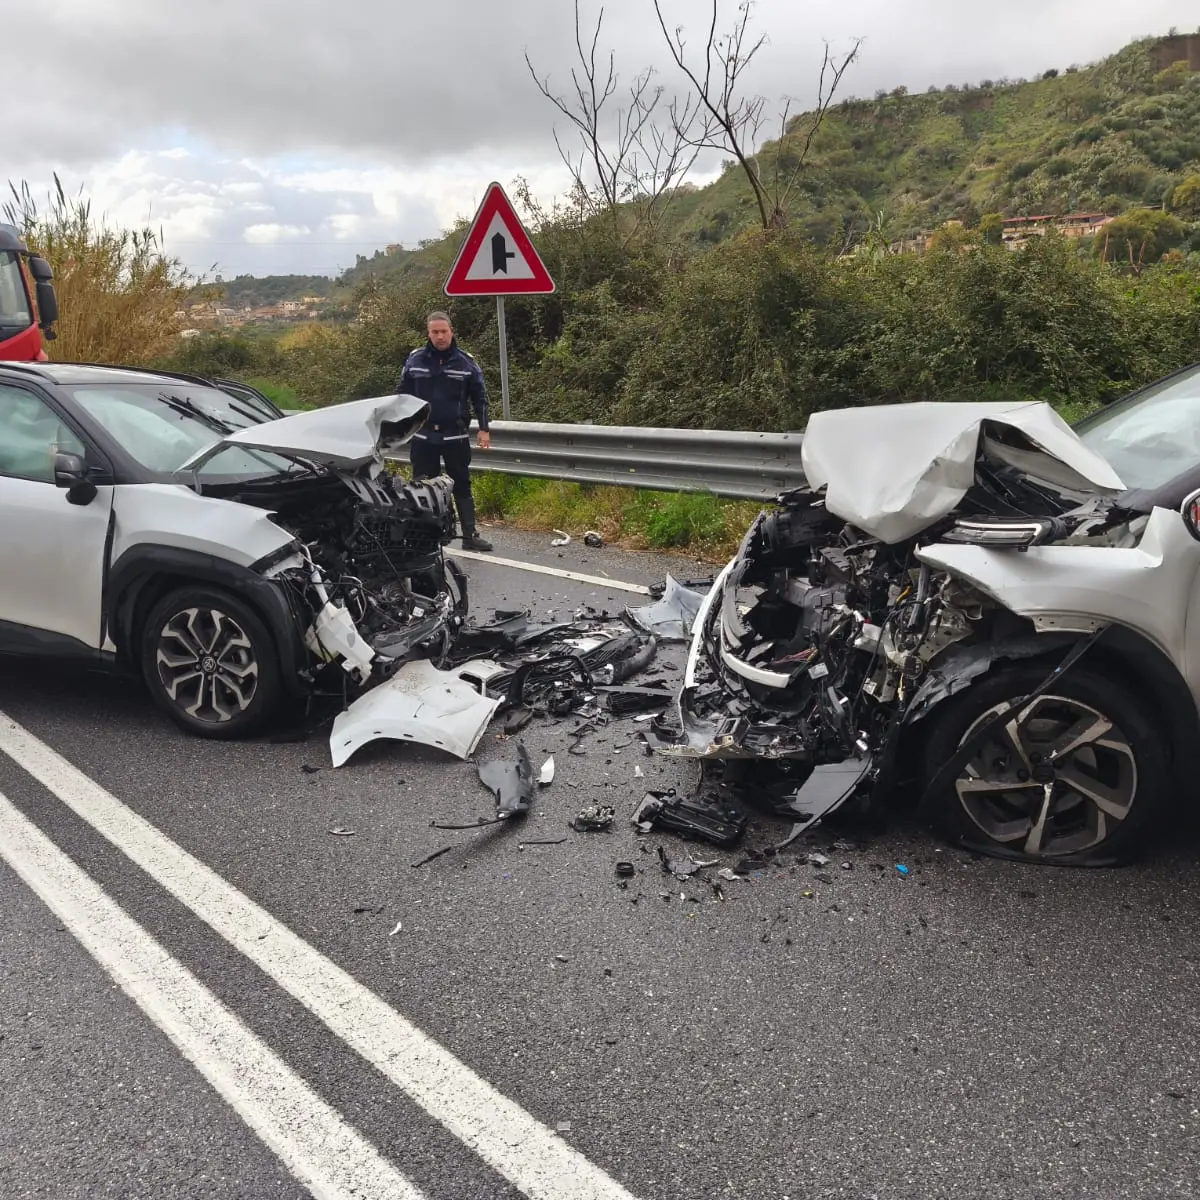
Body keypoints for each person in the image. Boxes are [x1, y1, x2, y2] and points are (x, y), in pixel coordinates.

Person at [398, 311, 494, 552]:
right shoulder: (415, 360)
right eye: (434, 332)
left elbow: (480, 398)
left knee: (461, 484)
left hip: (455, 435)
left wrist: (484, 429)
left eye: (443, 331)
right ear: (428, 334)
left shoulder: (466, 362)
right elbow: (401, 395)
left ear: (452, 332)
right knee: (423, 486)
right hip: (423, 435)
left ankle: (470, 536)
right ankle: (425, 539)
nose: (439, 336)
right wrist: (397, 426)